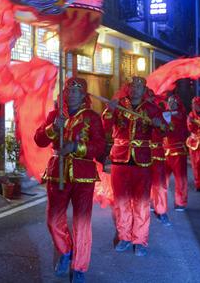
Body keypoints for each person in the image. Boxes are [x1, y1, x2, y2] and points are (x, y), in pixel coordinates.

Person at [35, 77, 105, 283]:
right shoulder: (56, 115)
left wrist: (76, 148)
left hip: (83, 174)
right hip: (58, 172)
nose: (72, 94)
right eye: (69, 91)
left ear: (84, 95)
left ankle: (80, 266)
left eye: (77, 91)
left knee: (82, 222)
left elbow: (100, 146)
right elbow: (39, 140)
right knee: (53, 219)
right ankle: (65, 250)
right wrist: (52, 128)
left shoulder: (92, 117)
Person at [102, 77, 166, 257]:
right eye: (133, 86)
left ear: (144, 89)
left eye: (140, 86)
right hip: (120, 159)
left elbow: (164, 130)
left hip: (143, 161)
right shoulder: (119, 105)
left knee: (142, 202)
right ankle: (124, 236)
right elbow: (104, 127)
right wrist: (109, 111)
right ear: (128, 88)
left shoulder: (152, 109)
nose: (136, 89)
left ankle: (140, 239)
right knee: (121, 201)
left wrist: (160, 125)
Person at [163, 94, 189, 211]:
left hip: (178, 152)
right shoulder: (164, 113)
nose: (171, 103)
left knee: (180, 179)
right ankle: (158, 202)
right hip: (164, 151)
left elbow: (177, 117)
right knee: (161, 179)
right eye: (169, 101)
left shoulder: (180, 114)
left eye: (173, 101)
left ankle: (180, 202)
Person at [149, 91, 171, 226]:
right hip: (139, 153)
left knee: (160, 184)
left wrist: (159, 125)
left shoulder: (159, 112)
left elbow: (166, 131)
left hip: (156, 152)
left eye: (150, 97)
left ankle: (161, 211)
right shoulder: (134, 111)